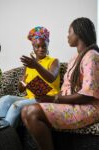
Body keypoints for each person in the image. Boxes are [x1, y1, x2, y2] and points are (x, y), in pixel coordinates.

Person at [21, 17, 99, 150]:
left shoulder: (92, 56)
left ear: (78, 33)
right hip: (71, 103)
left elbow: (87, 95)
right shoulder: (75, 58)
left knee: (31, 112)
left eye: (70, 32)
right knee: (26, 110)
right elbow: (67, 89)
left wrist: (53, 98)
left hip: (88, 107)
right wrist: (46, 97)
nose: (67, 36)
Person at [0, 26, 60, 127]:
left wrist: (36, 65)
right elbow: (21, 89)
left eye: (44, 46)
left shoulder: (54, 61)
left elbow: (51, 77)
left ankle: (5, 136)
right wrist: (23, 82)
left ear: (48, 44)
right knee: (4, 99)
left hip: (46, 98)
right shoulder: (29, 64)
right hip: (31, 97)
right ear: (33, 47)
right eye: (37, 47)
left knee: (15, 106)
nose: (41, 49)